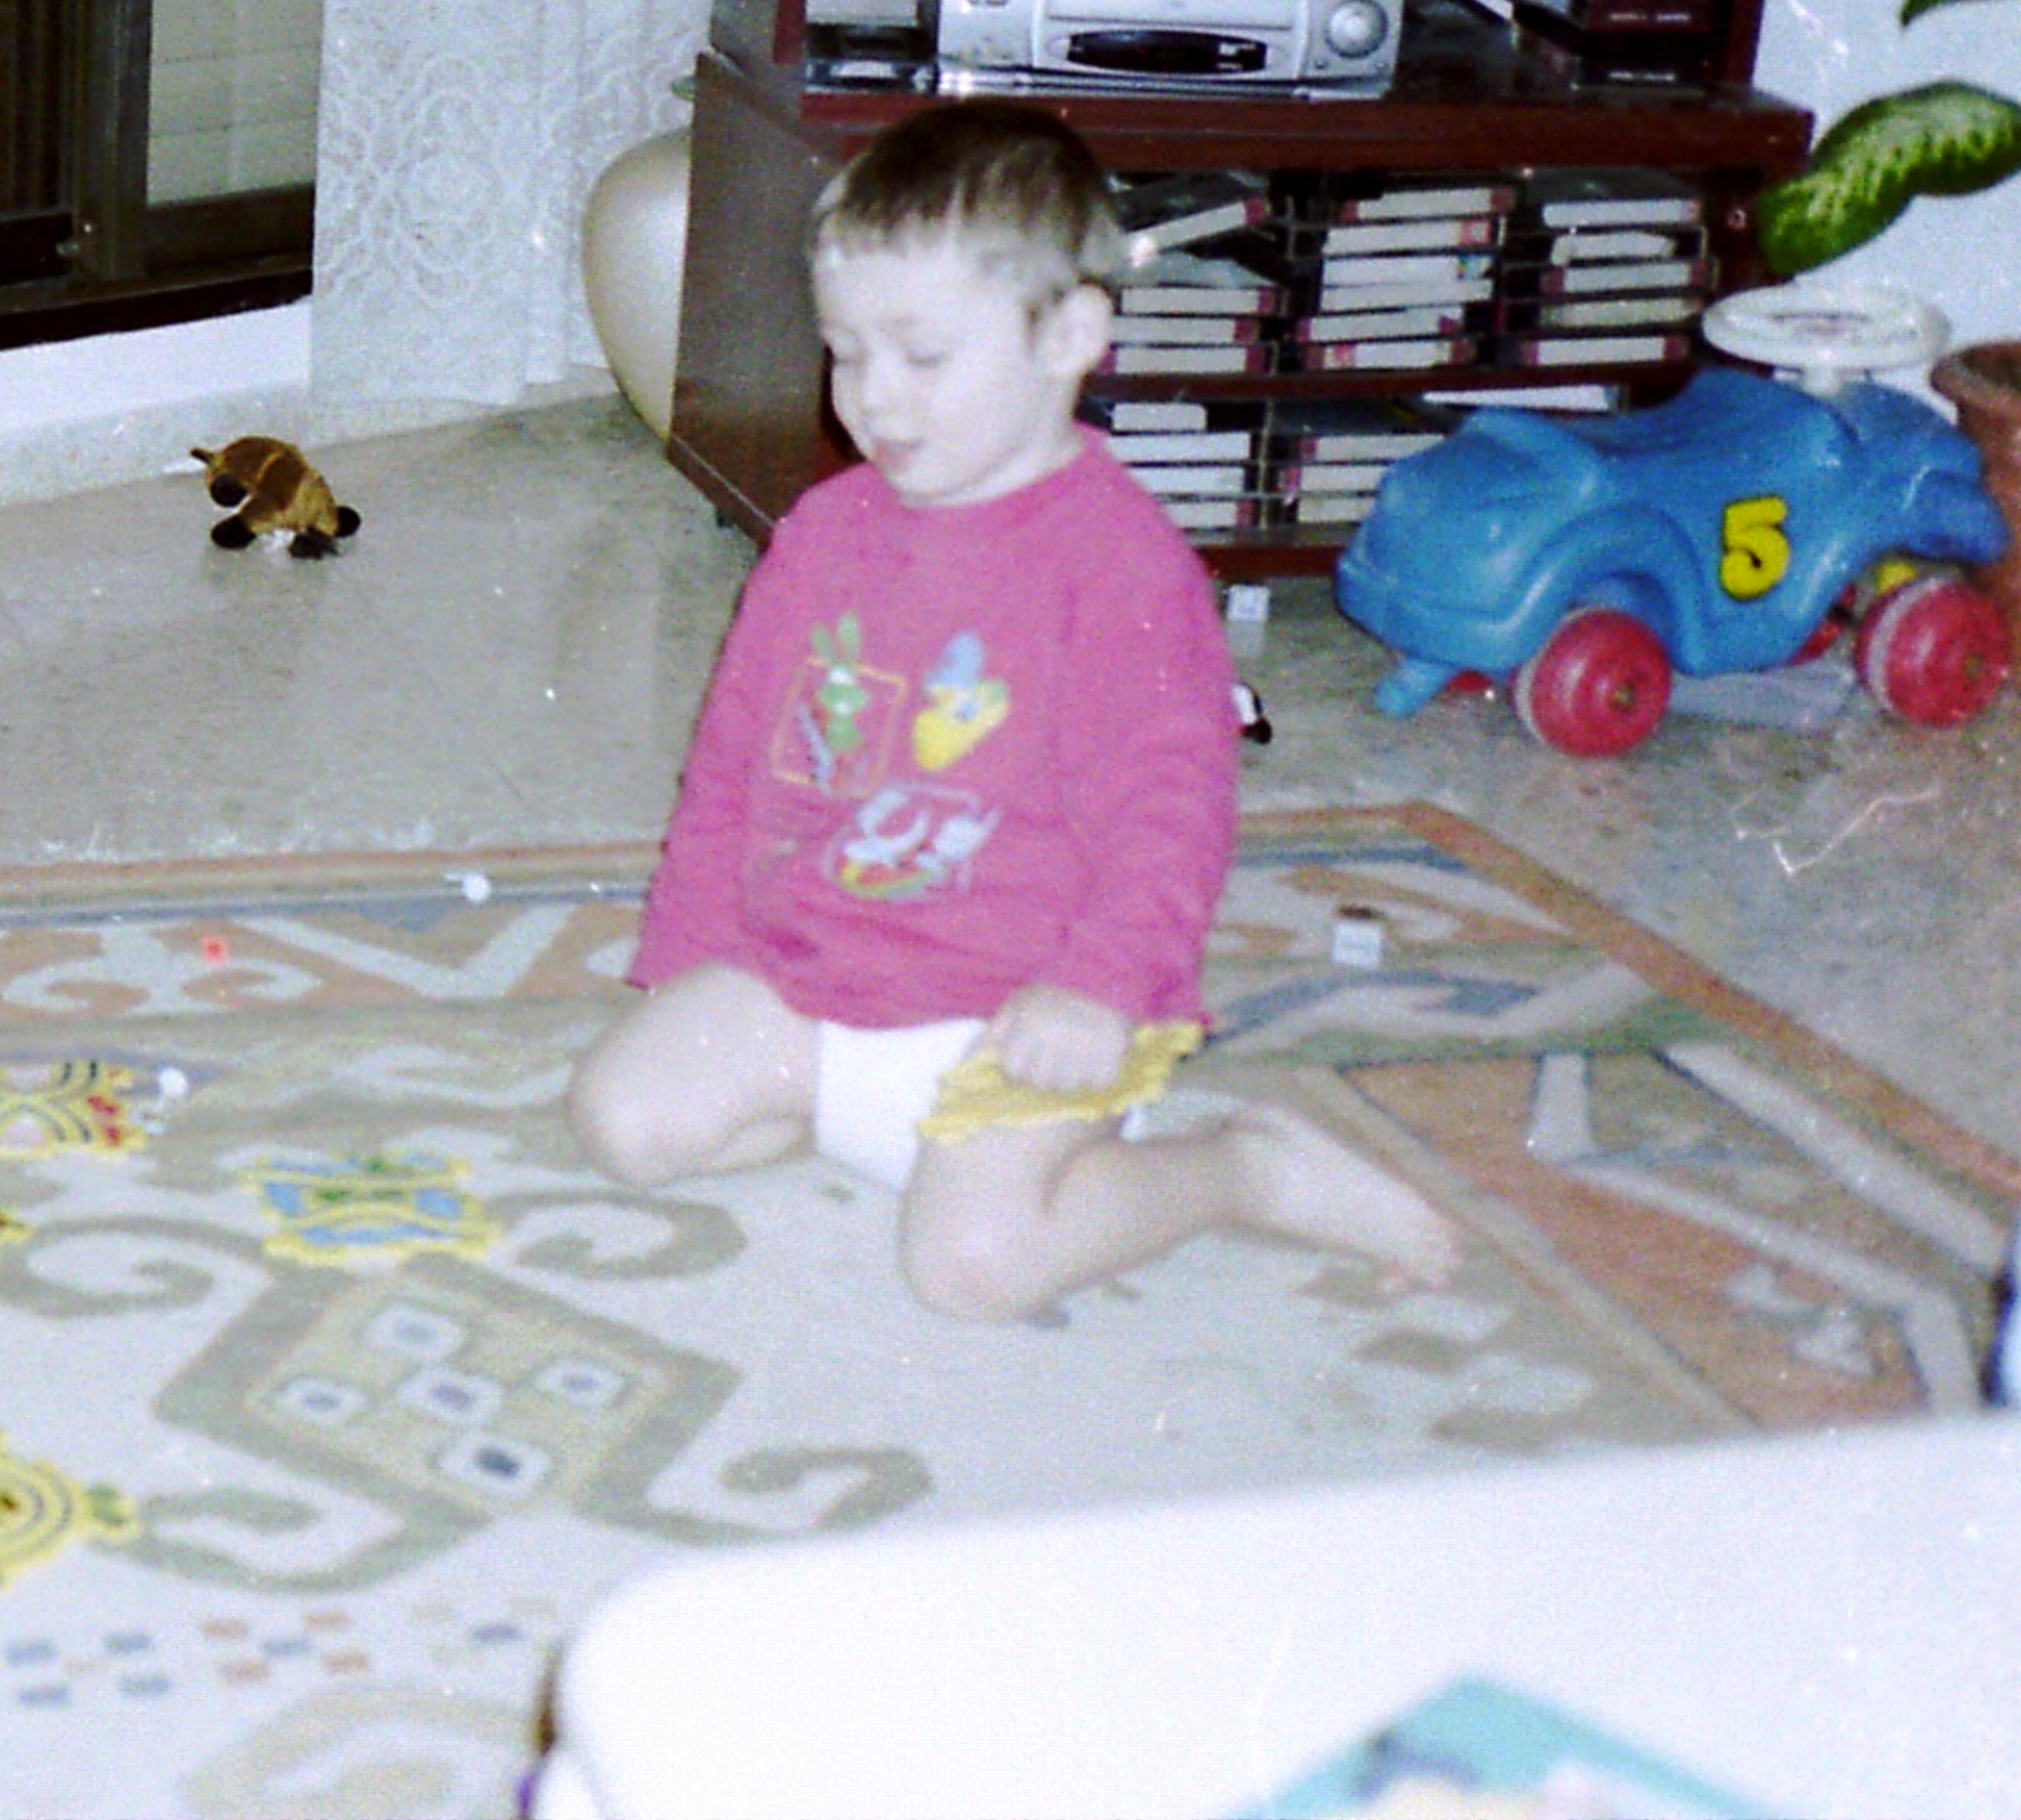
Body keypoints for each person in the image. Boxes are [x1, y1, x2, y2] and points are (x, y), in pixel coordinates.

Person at [566, 100, 1458, 1321]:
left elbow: (1171, 815)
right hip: (817, 981)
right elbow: (729, 765)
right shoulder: (823, 535)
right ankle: (894, 1140)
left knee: (972, 1272)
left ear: (1070, 335)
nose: (874, 397)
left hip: (1029, 1012)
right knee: (622, 1121)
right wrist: (692, 955)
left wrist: (1102, 987)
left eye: (923, 355)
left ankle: (1240, 1171)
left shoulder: (1122, 569)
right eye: (847, 351)